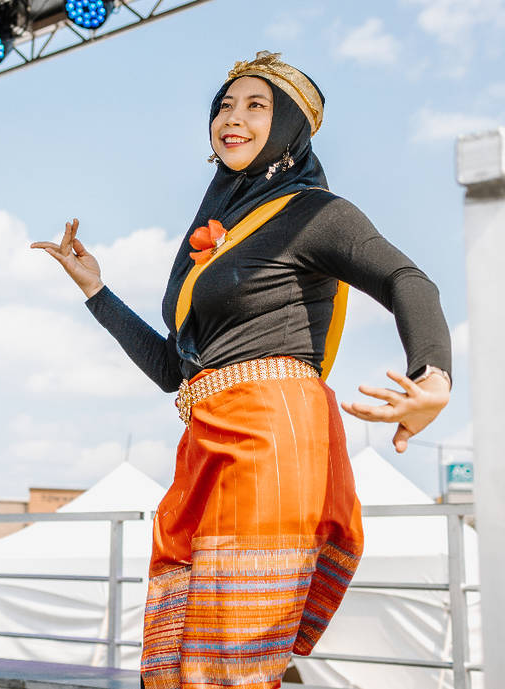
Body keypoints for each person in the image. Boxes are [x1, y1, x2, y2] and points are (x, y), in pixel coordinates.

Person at [32, 51, 451, 688]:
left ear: (290, 125)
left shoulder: (316, 212)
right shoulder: (219, 232)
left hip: (270, 432)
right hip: (206, 432)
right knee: (184, 647)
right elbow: (177, 369)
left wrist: (433, 377)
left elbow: (406, 280)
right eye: (224, 105)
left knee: (236, 646)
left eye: (258, 105)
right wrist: (98, 293)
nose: (234, 117)